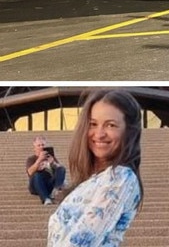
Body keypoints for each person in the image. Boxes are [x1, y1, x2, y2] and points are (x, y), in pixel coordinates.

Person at [47, 88, 143, 246]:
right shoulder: (97, 179)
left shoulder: (119, 178)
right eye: (93, 124)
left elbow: (82, 241)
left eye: (111, 125)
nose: (99, 134)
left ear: (129, 131)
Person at [26, 135, 66, 205]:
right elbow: (30, 172)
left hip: (49, 182)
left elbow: (60, 170)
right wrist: (39, 160)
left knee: (61, 168)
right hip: (37, 184)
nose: (41, 147)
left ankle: (55, 191)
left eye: (43, 145)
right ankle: (46, 198)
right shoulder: (31, 159)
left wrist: (53, 163)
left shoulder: (50, 157)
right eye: (39, 145)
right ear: (35, 148)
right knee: (37, 175)